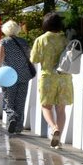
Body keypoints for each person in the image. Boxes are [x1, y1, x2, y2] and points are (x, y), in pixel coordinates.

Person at [31, 12, 71, 148]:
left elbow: (34, 59)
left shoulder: (41, 40)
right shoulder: (65, 39)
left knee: (46, 106)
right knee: (61, 109)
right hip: (64, 77)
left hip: (48, 77)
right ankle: (58, 141)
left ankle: (54, 128)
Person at [0, 19, 35, 135]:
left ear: (5, 29)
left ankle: (12, 117)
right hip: (24, 75)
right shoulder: (24, 42)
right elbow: (29, 57)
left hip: (9, 75)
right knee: (20, 101)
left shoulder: (3, 42)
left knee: (8, 100)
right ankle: (18, 127)